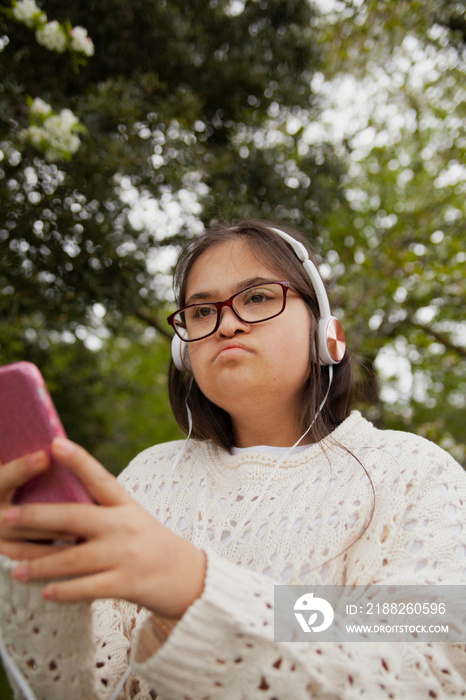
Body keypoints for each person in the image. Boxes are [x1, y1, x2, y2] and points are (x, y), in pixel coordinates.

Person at [0, 219, 465, 700]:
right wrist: (32, 579)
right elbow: (74, 688)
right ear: (185, 349)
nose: (226, 324)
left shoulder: (413, 474)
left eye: (258, 297)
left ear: (324, 329)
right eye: (202, 311)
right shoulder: (146, 478)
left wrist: (194, 587)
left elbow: (429, 674)